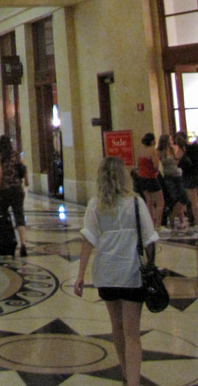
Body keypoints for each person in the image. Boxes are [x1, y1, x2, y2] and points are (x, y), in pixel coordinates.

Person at [74, 156, 159, 386]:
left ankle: (124, 373)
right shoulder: (135, 203)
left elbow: (87, 240)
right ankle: (133, 381)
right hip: (131, 273)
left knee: (117, 327)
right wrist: (150, 265)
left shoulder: (95, 205)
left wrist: (81, 275)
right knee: (133, 333)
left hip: (106, 275)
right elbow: (150, 239)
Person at [0, 134, 29, 256]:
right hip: (17, 189)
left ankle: (6, 242)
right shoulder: (16, 155)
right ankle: (23, 243)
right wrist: (26, 181)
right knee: (19, 215)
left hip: (4, 191)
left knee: (3, 216)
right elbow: (24, 167)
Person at [158, 133, 188, 229]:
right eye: (169, 140)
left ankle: (174, 217)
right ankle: (180, 220)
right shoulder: (161, 152)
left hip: (178, 175)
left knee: (182, 197)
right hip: (168, 177)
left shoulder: (175, 148)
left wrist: (174, 152)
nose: (171, 141)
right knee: (174, 198)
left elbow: (178, 160)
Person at [134, 132, 163, 230]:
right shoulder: (152, 151)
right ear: (152, 141)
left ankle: (150, 223)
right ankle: (158, 225)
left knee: (148, 201)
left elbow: (138, 165)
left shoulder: (141, 150)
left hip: (141, 178)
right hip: (151, 178)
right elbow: (155, 166)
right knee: (160, 202)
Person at [174, 132, 198, 230]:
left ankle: (197, 221)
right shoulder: (195, 146)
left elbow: (176, 163)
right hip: (197, 174)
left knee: (194, 202)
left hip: (188, 176)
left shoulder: (181, 150)